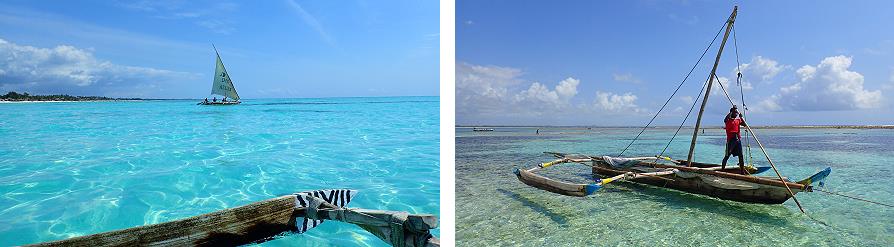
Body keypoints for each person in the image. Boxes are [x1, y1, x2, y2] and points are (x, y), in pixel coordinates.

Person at [722, 105, 747, 173]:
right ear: (731, 113)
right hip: (731, 141)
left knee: (741, 156)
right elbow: (725, 119)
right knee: (727, 156)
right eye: (735, 113)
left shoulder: (738, 120)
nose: (736, 114)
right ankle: (722, 171)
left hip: (738, 140)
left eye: (736, 113)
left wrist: (741, 117)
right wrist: (733, 109)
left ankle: (742, 171)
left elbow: (745, 125)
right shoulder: (728, 120)